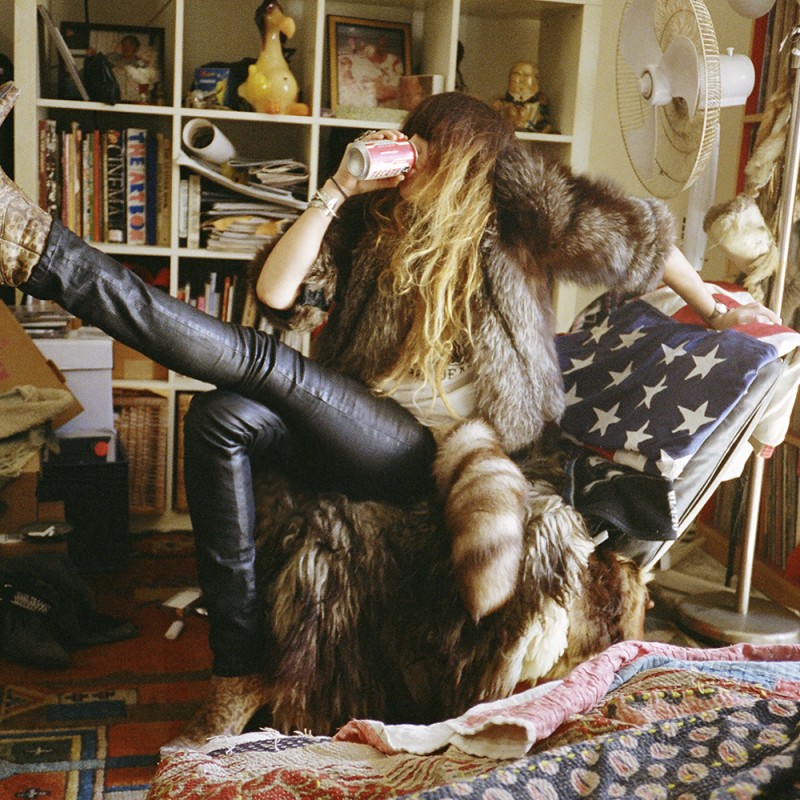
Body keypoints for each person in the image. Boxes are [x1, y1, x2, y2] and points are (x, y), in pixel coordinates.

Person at [0, 82, 778, 747]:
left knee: (260, 366)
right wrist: (337, 190)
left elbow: (642, 237)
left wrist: (716, 309)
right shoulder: (369, 219)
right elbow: (275, 293)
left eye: (427, 147)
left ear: (467, 158)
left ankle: (42, 254)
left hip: (431, 450)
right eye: (409, 141)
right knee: (219, 418)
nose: (411, 157)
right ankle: (238, 672)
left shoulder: (518, 216)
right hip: (353, 424)